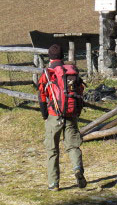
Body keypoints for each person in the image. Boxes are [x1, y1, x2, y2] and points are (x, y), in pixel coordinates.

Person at [37, 44, 87, 191]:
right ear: (63, 56)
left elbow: (41, 95)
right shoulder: (71, 72)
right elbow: (80, 91)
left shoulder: (48, 73)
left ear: (49, 57)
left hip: (54, 114)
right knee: (72, 146)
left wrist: (45, 115)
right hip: (71, 114)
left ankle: (54, 184)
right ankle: (77, 168)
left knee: (52, 150)